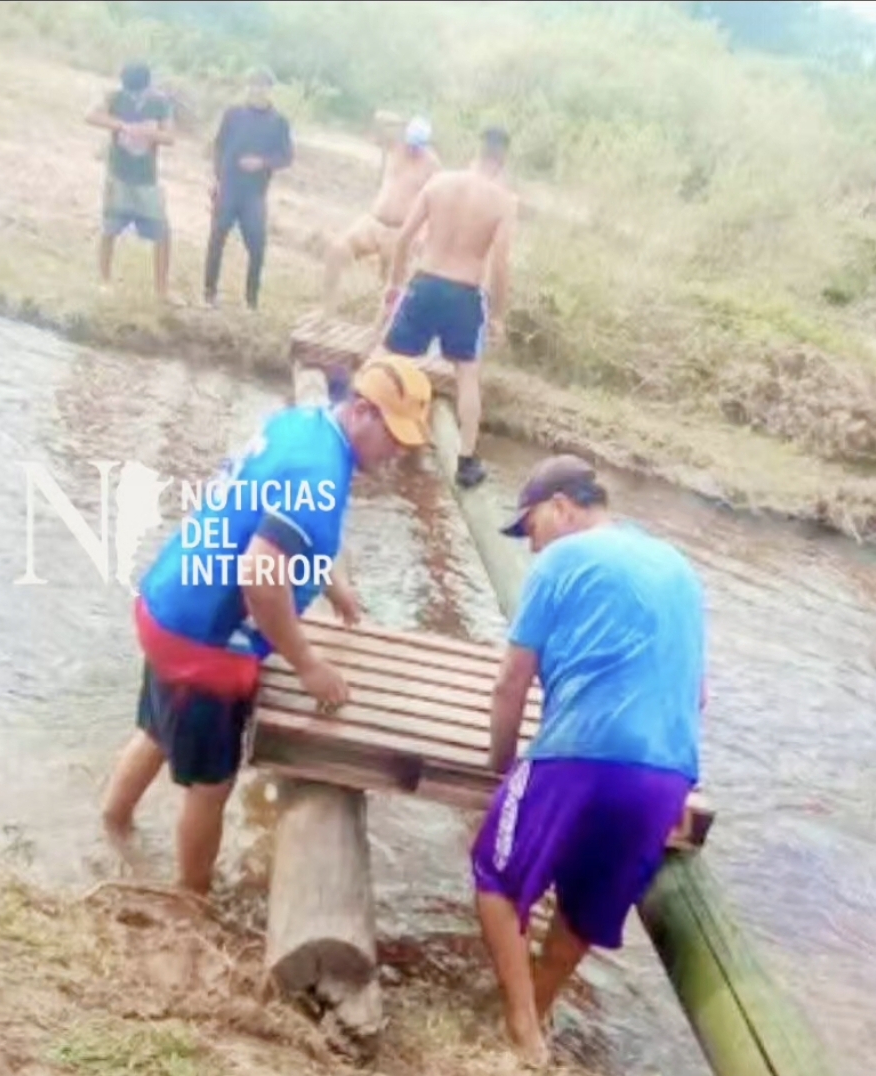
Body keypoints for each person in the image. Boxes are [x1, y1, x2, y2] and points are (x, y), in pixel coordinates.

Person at [101, 355, 434, 895]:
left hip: (170, 600)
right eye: (394, 435)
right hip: (206, 643)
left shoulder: (301, 425)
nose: (397, 451)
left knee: (156, 731)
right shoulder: (322, 471)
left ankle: (111, 829)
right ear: (361, 410)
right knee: (211, 787)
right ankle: (191, 901)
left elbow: (263, 512)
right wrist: (308, 664)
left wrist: (328, 579)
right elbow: (259, 576)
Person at [469, 454, 707, 1068]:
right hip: (666, 776)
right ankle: (534, 1023)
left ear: (561, 507)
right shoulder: (679, 568)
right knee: (582, 908)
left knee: (494, 876)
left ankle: (520, 1027)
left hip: (579, 752)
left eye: (530, 528)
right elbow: (697, 695)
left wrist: (501, 770)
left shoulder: (561, 559)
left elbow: (510, 683)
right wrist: (678, 787)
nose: (531, 545)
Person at [378, 126, 517, 491]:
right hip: (465, 293)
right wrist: (498, 315)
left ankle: (357, 414)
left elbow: (404, 239)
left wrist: (394, 284)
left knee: (389, 356)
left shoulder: (440, 182)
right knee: (467, 376)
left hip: (425, 282)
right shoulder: (503, 202)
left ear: (477, 150)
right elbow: (500, 265)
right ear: (502, 158)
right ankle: (466, 462)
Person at [321, 114, 441, 315]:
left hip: (401, 231)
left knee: (390, 283)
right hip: (373, 222)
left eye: (417, 146)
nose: (412, 149)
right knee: (337, 250)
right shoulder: (395, 148)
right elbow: (378, 127)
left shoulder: (432, 165)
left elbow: (435, 204)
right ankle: (327, 310)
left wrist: (423, 234)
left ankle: (381, 324)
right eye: (411, 143)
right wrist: (397, 123)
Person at [203, 66, 294, 310]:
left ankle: (251, 299)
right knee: (216, 239)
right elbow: (219, 146)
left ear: (270, 89)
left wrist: (262, 162)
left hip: (255, 192)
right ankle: (209, 292)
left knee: (257, 245)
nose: (257, 89)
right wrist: (217, 178)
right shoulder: (233, 114)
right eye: (253, 84)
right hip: (229, 186)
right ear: (247, 87)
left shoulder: (278, 122)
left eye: (262, 85)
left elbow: (286, 156)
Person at [85, 62, 176, 302]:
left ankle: (161, 289)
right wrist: (122, 125)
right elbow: (90, 116)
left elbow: (170, 137)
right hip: (118, 174)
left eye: (138, 93)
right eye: (130, 92)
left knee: (162, 232)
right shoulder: (115, 97)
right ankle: (104, 280)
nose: (134, 97)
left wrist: (147, 133)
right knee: (109, 228)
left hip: (147, 179)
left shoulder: (160, 102)